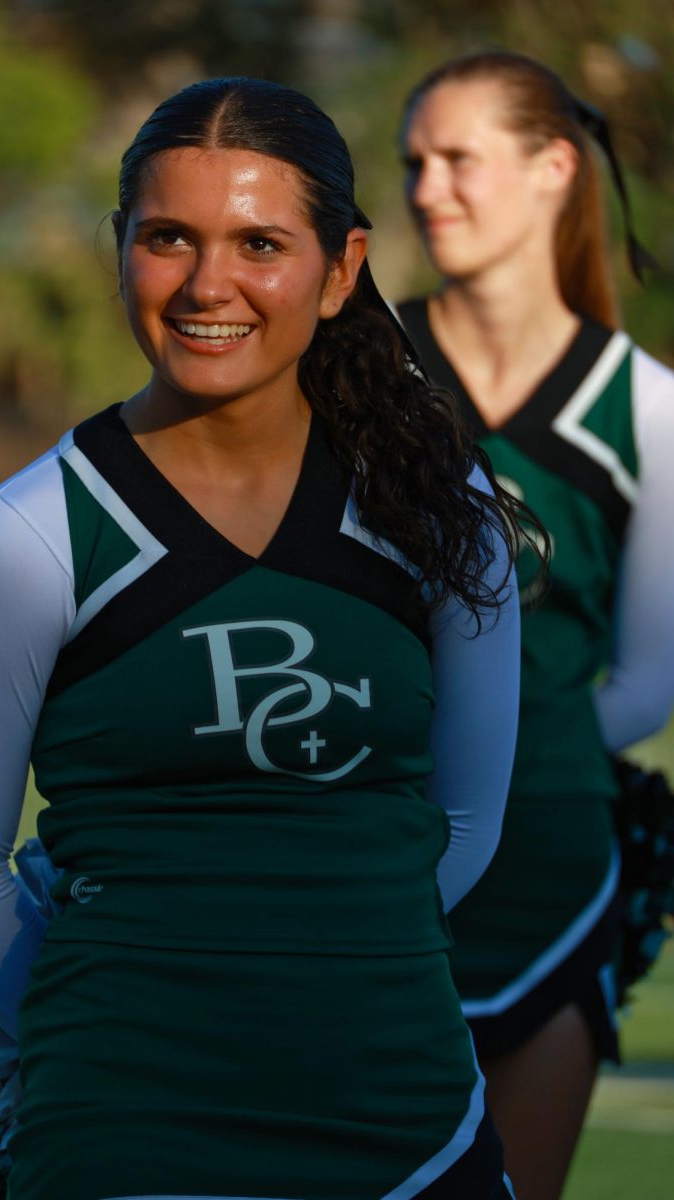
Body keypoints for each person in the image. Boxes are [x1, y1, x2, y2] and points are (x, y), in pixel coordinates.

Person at [0, 77, 525, 1200]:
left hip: (407, 1121)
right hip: (126, 1130)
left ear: (340, 270)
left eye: (259, 243)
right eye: (168, 239)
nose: (207, 284)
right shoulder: (26, 537)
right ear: (121, 251)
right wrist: (120, 1026)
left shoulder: (443, 518)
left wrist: (322, 984)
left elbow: (469, 820)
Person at [396, 49, 674, 1200]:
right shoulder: (353, 372)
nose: (425, 189)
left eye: (457, 159)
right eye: (412, 163)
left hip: (555, 875)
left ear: (553, 168)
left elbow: (648, 679)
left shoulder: (647, 405)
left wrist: (515, 751)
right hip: (371, 869)